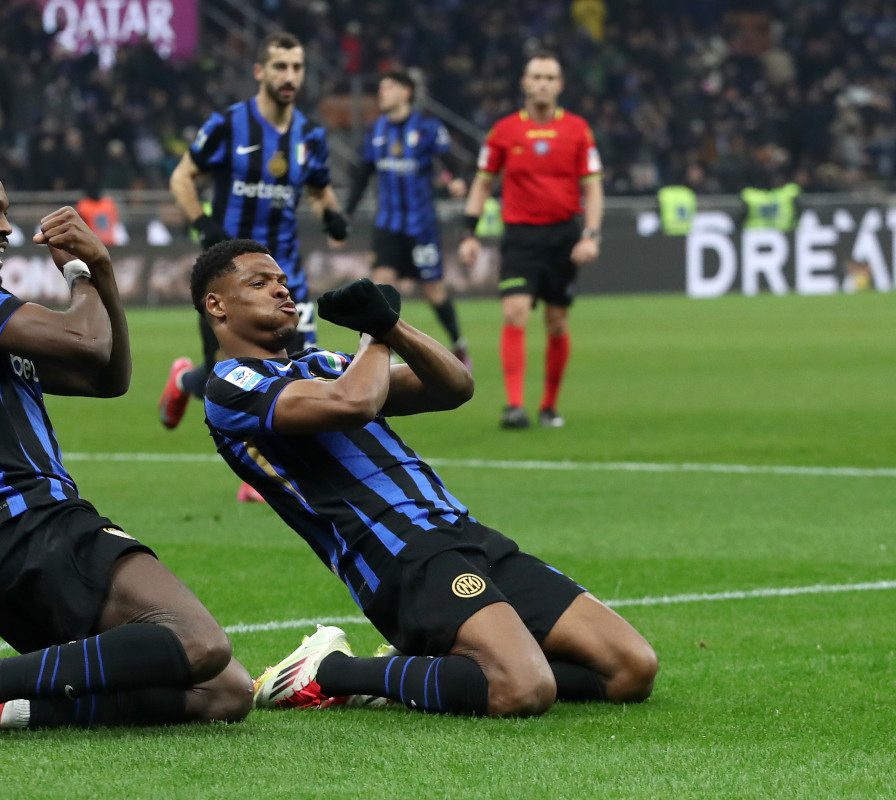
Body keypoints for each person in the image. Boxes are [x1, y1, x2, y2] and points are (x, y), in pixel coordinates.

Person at [0, 149, 251, 744]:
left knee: (224, 692)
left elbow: (107, 378)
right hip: (27, 524)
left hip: (6, 547)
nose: (6, 227)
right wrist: (80, 272)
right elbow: (87, 342)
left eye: (6, 212)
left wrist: (104, 273)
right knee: (198, 641)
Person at [192, 238, 656, 717]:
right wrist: (375, 335)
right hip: (399, 556)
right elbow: (354, 403)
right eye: (260, 282)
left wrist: (393, 325)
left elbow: (454, 386)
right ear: (216, 304)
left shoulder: (322, 364)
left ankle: (438, 667)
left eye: (284, 282)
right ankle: (330, 672)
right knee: (522, 689)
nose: (282, 291)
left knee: (630, 669)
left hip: (463, 533)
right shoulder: (229, 387)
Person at [160, 32, 350, 505]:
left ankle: (270, 471)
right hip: (229, 278)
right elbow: (182, 176)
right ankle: (185, 381)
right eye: (281, 67)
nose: (290, 77)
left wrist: (332, 214)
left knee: (298, 368)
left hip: (286, 275)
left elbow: (320, 188)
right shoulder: (228, 125)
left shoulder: (309, 135)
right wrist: (201, 220)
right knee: (225, 378)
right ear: (260, 71)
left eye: (298, 68)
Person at [459, 51, 604, 430]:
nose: (542, 83)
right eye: (536, 76)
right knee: (515, 312)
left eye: (549, 77)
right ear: (524, 83)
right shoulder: (504, 131)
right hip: (521, 237)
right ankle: (514, 406)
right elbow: (482, 183)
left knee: (556, 321)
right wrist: (469, 233)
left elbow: (594, 188)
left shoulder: (578, 130)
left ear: (560, 85)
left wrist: (590, 234)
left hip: (564, 236)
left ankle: (549, 406)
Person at [343, 70, 471, 368]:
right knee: (381, 284)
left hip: (421, 227)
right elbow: (362, 176)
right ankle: (376, 351)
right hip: (388, 224)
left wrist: (456, 180)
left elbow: (456, 163)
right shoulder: (376, 130)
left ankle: (458, 343)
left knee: (434, 291)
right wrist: (346, 214)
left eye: (388, 87)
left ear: (406, 92)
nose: (382, 93)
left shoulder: (427, 128)